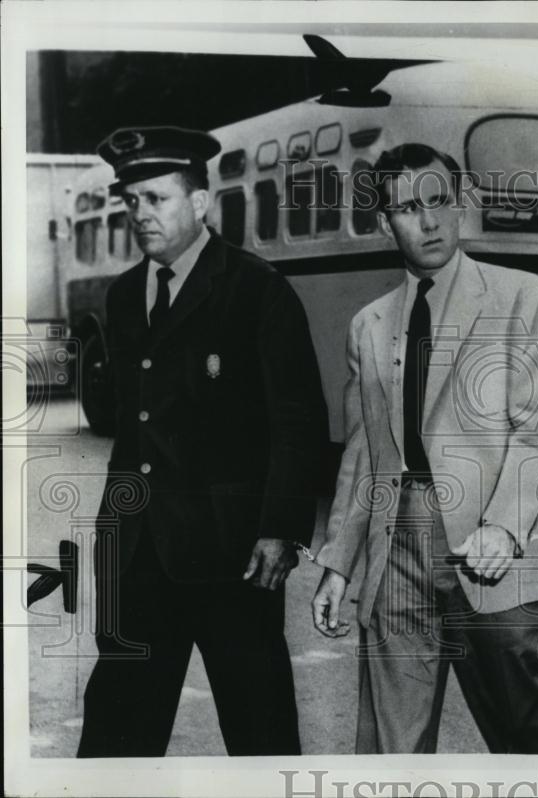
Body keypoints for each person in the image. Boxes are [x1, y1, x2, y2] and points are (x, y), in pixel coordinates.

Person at [310, 143, 538, 754]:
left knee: (527, 731)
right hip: (395, 543)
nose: (428, 220)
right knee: (391, 744)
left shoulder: (519, 296)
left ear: (460, 207)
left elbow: (537, 426)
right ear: (386, 224)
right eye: (409, 207)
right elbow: (362, 454)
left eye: (439, 201)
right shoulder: (369, 325)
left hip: (489, 542)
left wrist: (505, 529)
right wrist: (338, 561)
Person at [78, 126, 328, 756]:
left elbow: (297, 421)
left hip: (232, 556)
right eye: (131, 202)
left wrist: (282, 530)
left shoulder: (257, 290)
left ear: (199, 203)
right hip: (138, 557)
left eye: (156, 199)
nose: (140, 215)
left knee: (260, 734)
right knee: (115, 739)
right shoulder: (123, 296)